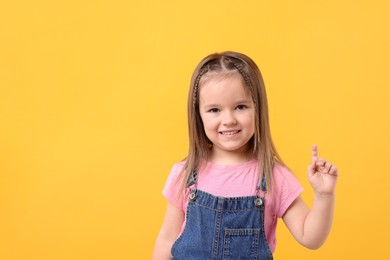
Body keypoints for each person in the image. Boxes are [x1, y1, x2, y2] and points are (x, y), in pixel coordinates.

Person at [152, 51, 338, 259]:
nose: (229, 119)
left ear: (257, 109)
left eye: (240, 107)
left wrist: (324, 196)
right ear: (198, 115)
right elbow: (167, 240)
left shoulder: (274, 176)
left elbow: (310, 238)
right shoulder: (185, 174)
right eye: (214, 110)